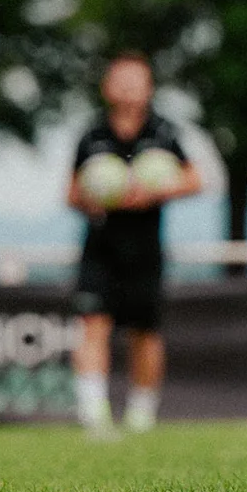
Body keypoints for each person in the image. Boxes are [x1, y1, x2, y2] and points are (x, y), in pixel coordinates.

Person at [67, 52, 202, 438]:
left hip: (145, 249)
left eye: (135, 82)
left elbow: (195, 180)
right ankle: (94, 418)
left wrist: (155, 190)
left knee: (144, 332)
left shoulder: (164, 133)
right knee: (92, 325)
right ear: (107, 87)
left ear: (148, 88)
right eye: (120, 81)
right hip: (99, 247)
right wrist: (97, 196)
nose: (127, 90)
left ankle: (141, 417)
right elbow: (71, 192)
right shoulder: (91, 135)